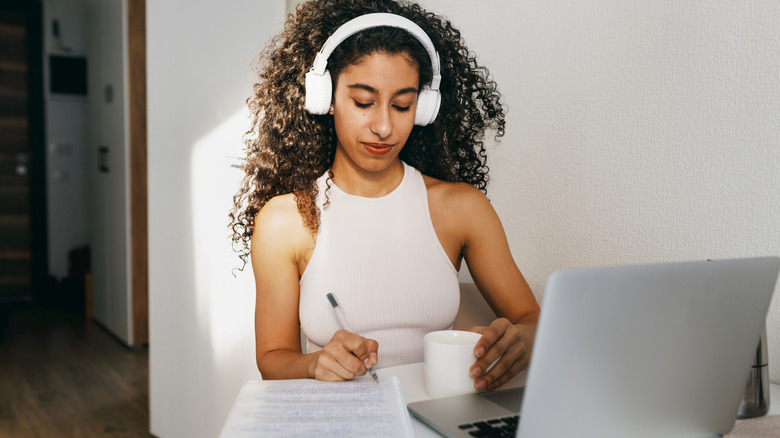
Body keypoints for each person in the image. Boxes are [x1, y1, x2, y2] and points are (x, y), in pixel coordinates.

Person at [229, 0, 539, 392]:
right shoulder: (284, 222)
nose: (383, 126)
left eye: (402, 105)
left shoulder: (462, 209)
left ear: (423, 108)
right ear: (325, 98)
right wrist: (314, 364)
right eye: (363, 102)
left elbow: (532, 317)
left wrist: (524, 340)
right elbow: (273, 360)